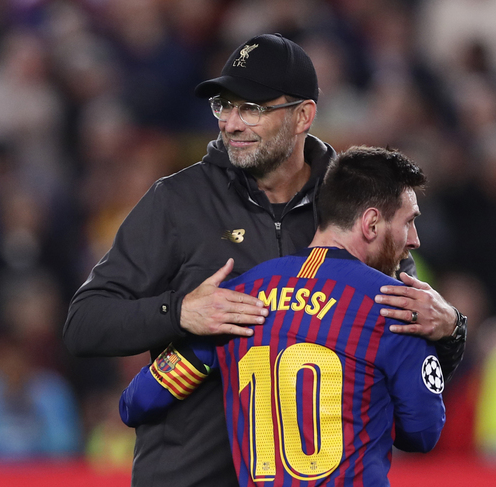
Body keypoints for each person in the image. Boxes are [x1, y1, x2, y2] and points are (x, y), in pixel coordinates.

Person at [64, 33, 466, 486]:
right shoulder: (177, 202)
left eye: (251, 108)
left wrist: (450, 329)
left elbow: (402, 348)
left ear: (302, 116)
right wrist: (179, 312)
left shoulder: (349, 207)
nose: (230, 123)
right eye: (223, 106)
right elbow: (84, 323)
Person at [120, 146, 446, 486]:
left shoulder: (236, 299)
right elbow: (422, 433)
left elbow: (138, 401)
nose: (415, 240)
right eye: (409, 222)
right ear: (371, 223)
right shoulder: (393, 305)